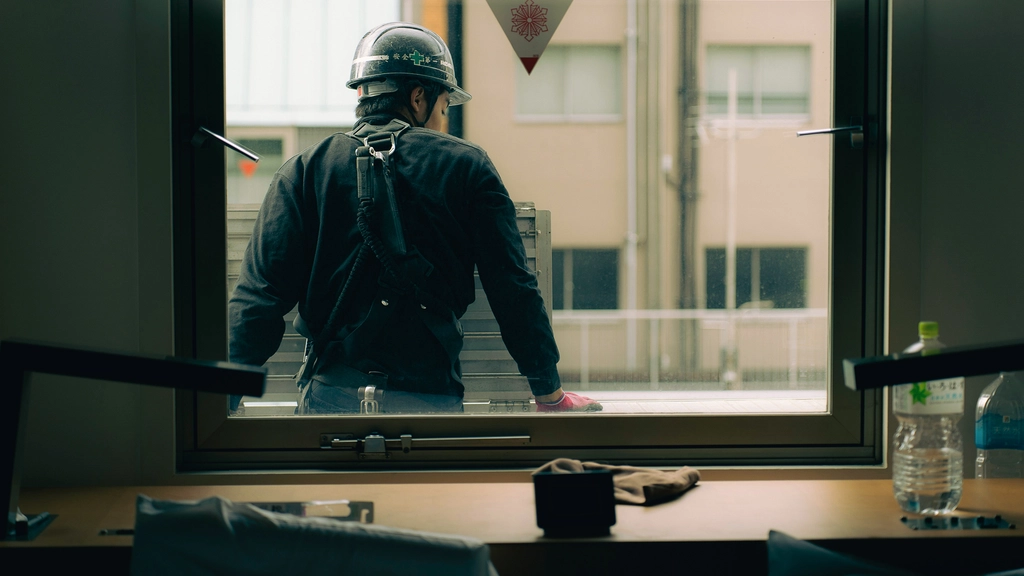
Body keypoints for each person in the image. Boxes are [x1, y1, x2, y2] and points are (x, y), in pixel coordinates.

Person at [229, 22, 601, 414]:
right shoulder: (466, 166)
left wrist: (222, 402)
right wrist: (549, 394)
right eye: (444, 108)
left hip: (329, 399)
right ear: (419, 97)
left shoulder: (303, 171)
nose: (443, 121)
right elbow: (513, 287)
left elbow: (259, 299)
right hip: (431, 401)